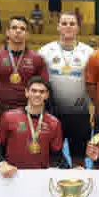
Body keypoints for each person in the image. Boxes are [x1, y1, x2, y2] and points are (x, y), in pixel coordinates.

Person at [38, 12, 94, 167]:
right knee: (51, 159)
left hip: (79, 114)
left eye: (72, 23)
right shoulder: (45, 52)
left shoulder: (89, 53)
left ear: (78, 28)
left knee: (79, 160)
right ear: (58, 27)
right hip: (52, 114)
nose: (68, 27)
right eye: (64, 23)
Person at [0, 76, 69, 177]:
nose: (37, 94)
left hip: (39, 177)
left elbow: (57, 154)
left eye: (42, 92)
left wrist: (71, 170)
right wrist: (2, 164)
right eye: (34, 91)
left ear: (47, 95)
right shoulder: (9, 117)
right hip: (12, 176)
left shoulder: (54, 122)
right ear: (26, 93)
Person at [0, 16, 49, 120]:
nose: (18, 31)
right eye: (14, 28)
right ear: (7, 32)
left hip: (27, 114)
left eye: (22, 29)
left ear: (27, 34)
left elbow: (44, 89)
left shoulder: (37, 59)